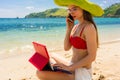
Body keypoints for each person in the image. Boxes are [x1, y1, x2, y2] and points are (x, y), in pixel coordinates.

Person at [36, 0, 104, 80]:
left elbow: (92, 57)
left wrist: (69, 67)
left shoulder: (89, 27)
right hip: (72, 67)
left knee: (39, 73)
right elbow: (66, 47)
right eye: (69, 10)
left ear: (84, 9)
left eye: (75, 9)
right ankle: (56, 70)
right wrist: (69, 28)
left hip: (81, 72)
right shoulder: (75, 27)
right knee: (52, 55)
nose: (71, 12)